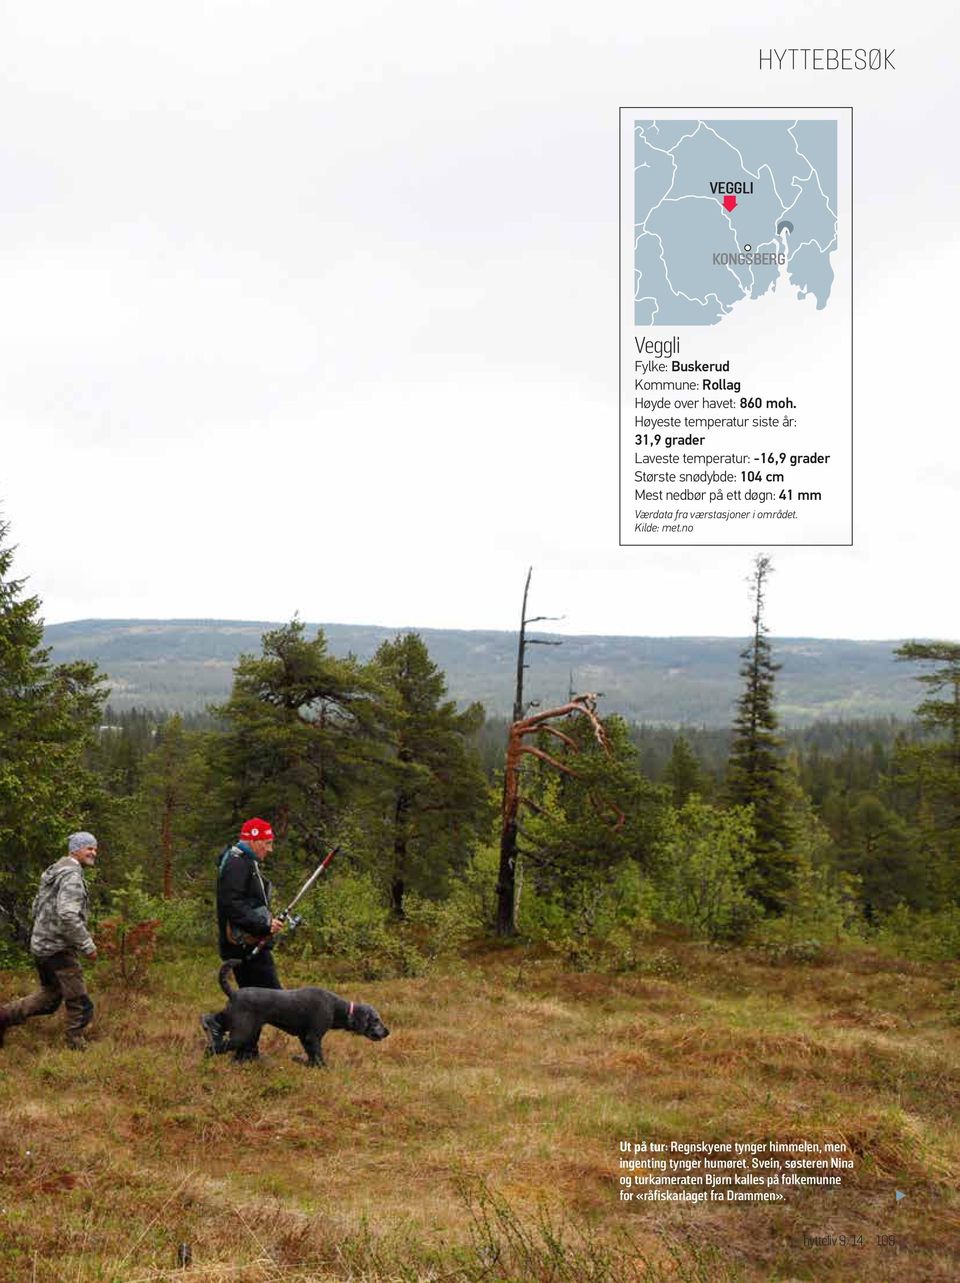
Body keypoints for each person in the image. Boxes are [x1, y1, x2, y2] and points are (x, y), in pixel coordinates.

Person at [0, 832, 100, 1051]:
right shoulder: (72, 876)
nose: (93, 852)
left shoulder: (54, 871)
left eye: (94, 848)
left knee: (50, 998)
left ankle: (3, 1016)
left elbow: (37, 907)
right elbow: (68, 915)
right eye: (88, 848)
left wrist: (42, 933)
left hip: (42, 945)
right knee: (79, 1000)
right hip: (58, 948)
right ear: (75, 849)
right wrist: (87, 945)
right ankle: (76, 1044)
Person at [201, 817, 283, 1052]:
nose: (270, 849)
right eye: (267, 843)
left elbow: (246, 903)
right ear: (254, 840)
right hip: (244, 945)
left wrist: (267, 922)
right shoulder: (237, 864)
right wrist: (263, 926)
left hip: (249, 941)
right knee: (272, 998)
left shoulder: (246, 861)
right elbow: (231, 905)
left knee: (254, 1000)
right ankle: (217, 1022)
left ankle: (245, 1052)